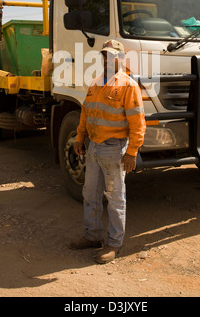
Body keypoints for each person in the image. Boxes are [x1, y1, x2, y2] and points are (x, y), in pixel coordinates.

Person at [70, 40, 146, 264]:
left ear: (121, 59)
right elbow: (86, 113)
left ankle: (114, 242)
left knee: (114, 198)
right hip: (93, 147)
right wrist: (80, 137)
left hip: (114, 149)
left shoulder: (128, 85)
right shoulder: (95, 82)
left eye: (112, 56)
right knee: (90, 194)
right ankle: (92, 236)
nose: (107, 60)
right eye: (104, 55)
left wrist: (131, 152)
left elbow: (138, 122)